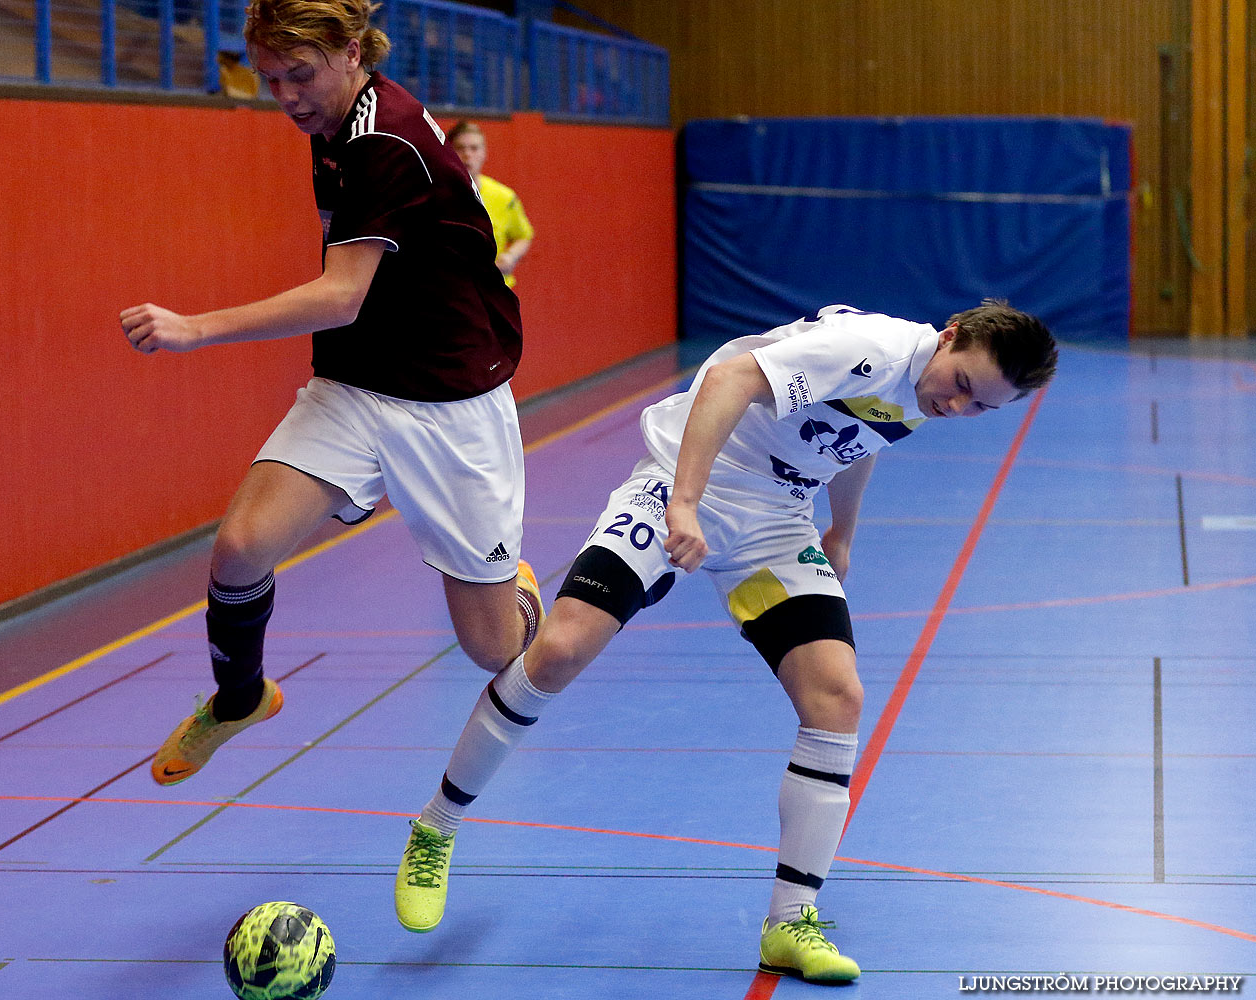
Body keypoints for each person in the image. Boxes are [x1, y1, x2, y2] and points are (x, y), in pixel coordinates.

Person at [393, 301, 1058, 982]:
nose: (958, 406)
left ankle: (789, 923)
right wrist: (684, 500)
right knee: (560, 649)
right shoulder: (870, 349)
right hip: (680, 483)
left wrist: (842, 531)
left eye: (982, 408)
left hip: (775, 523)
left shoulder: (926, 388)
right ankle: (436, 827)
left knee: (836, 698)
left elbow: (861, 437)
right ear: (948, 336)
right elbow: (729, 381)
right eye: (963, 385)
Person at [120, 0, 541, 790]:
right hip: (356, 386)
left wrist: (196, 328)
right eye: (270, 77)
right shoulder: (331, 129)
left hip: (451, 404)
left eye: (299, 74)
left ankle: (518, 592)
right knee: (242, 546)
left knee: (493, 650)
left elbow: (341, 293)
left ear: (352, 52)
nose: (285, 95)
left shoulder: (386, 140)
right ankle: (241, 698)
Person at [446, 121, 534, 288]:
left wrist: (510, 256)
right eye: (460, 148)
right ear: (449, 152)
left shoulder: (504, 197)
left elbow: (524, 236)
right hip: (451, 291)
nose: (467, 155)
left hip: (493, 290)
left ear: (484, 152)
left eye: (474, 148)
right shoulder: (435, 194)